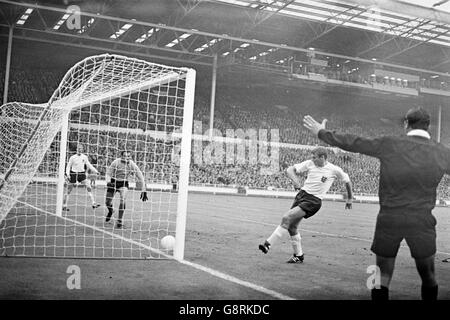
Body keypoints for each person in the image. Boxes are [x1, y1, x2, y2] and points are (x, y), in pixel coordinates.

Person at [303, 107, 450, 300]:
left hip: (389, 218)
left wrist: (322, 133)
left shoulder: (391, 143)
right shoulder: (441, 152)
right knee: (429, 277)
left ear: (406, 123)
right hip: (422, 220)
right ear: (428, 126)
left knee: (381, 276)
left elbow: (355, 142)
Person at [259, 147, 353, 263]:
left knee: (286, 217)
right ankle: (299, 256)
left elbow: (347, 180)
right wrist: (296, 181)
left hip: (313, 200)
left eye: (314, 157)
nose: (312, 159)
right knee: (292, 227)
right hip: (301, 195)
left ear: (322, 157)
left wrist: (349, 198)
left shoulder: (334, 169)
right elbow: (289, 170)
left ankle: (267, 244)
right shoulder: (309, 164)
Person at [105, 150, 148, 228]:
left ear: (130, 157)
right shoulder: (116, 162)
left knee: (123, 199)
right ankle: (111, 210)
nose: (126, 158)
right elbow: (108, 173)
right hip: (113, 182)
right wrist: (108, 182)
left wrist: (144, 188)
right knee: (107, 202)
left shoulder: (132, 164)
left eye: (128, 156)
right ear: (121, 156)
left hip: (124, 183)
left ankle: (119, 220)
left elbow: (140, 175)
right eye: (124, 156)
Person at [63, 144, 100, 211]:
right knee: (68, 190)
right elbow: (68, 166)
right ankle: (64, 206)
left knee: (88, 186)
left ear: (82, 149)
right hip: (73, 173)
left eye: (81, 148)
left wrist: (96, 171)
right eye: (78, 148)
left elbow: (89, 165)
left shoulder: (84, 157)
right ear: (76, 149)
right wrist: (67, 174)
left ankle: (93, 203)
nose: (80, 149)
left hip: (81, 174)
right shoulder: (72, 157)